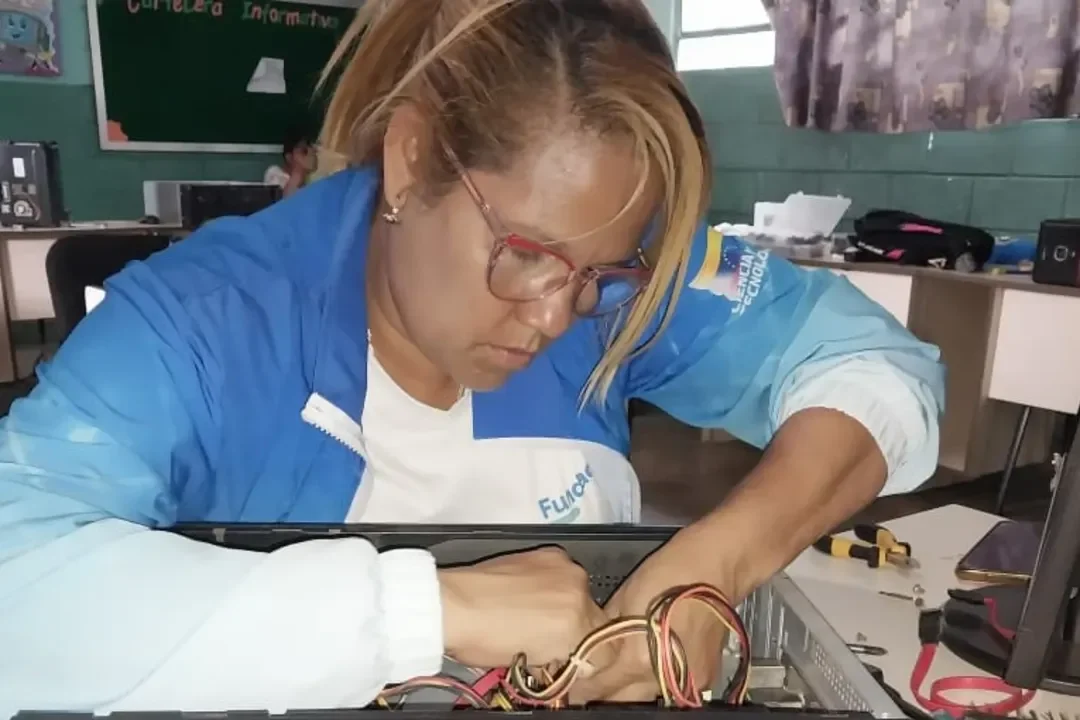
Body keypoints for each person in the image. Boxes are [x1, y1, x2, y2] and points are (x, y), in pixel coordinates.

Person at [0, 0, 945, 715]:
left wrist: (712, 567)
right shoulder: (203, 323)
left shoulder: (610, 279)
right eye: (525, 255)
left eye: (599, 274)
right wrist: (423, 614)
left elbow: (880, 371)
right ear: (412, 161)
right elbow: (18, 596)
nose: (553, 315)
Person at [263, 125, 316, 197]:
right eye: (304, 152)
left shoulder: (313, 180)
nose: (310, 155)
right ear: (289, 157)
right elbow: (283, 203)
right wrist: (299, 170)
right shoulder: (275, 173)